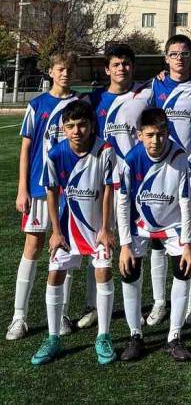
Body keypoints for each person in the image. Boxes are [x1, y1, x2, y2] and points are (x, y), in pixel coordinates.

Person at [31, 100, 116, 365]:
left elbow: (108, 191)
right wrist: (55, 232)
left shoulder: (105, 150)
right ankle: (53, 337)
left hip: (97, 229)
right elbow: (51, 192)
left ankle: (103, 335)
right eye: (70, 126)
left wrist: (106, 229)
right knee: (55, 273)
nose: (76, 131)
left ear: (91, 126)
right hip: (67, 229)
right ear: (64, 129)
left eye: (82, 125)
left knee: (103, 271)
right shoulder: (56, 154)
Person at [7, 52, 81, 341]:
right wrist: (22, 188)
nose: (65, 73)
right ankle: (19, 317)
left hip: (71, 191)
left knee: (66, 249)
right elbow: (26, 149)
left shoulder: (81, 104)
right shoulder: (37, 105)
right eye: (60, 69)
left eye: (69, 69)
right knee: (33, 246)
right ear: (51, 71)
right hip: (39, 188)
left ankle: (60, 313)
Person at [141, 34, 191, 327]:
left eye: (184, 53)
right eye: (174, 54)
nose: (179, 58)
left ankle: (190, 303)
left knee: (187, 240)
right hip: (158, 177)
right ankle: (160, 302)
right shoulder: (154, 87)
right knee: (157, 242)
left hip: (189, 177)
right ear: (166, 58)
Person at [117, 107, 191, 361]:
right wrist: (125, 244)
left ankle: (174, 337)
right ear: (139, 135)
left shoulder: (179, 157)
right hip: (139, 225)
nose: (156, 140)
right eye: (150, 135)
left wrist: (187, 243)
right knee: (129, 271)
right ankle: (135, 336)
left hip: (172, 224)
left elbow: (186, 202)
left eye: (161, 134)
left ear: (168, 133)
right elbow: (123, 203)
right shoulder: (131, 160)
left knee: (183, 270)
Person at [81, 44, 150, 331]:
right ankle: (93, 306)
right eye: (116, 64)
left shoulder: (145, 95)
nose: (122, 68)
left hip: (135, 183)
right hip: (102, 184)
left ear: (133, 66)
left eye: (126, 63)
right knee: (99, 242)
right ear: (107, 69)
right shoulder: (93, 100)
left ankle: (135, 306)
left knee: (134, 244)